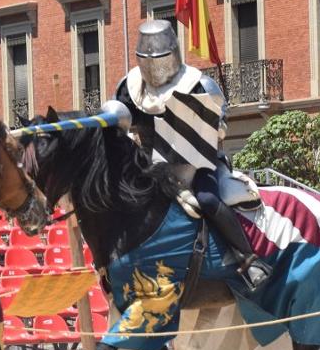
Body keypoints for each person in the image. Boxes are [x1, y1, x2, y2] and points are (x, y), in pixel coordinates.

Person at [114, 20, 270, 292]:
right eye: (148, 61)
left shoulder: (199, 84)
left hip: (199, 164)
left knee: (208, 200)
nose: (154, 67)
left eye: (159, 59)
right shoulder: (130, 88)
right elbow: (121, 128)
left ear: (172, 54)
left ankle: (248, 259)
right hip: (151, 169)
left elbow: (220, 127)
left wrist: (205, 125)